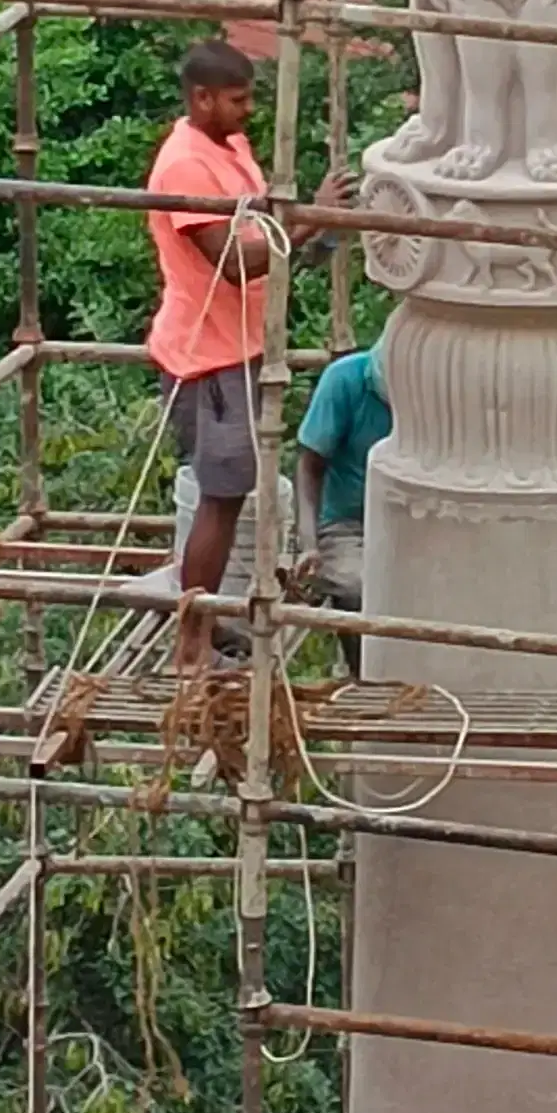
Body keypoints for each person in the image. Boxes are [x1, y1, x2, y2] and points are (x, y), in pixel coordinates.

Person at [143, 40, 277, 670]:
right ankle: (191, 645)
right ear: (202, 98)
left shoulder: (229, 149)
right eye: (237, 98)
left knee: (229, 491)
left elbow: (262, 224)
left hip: (237, 348)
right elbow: (235, 263)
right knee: (221, 495)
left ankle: (207, 620)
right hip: (207, 358)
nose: (248, 110)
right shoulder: (183, 168)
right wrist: (303, 227)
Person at [293, 334, 392, 614]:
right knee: (358, 589)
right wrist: (309, 545)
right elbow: (309, 466)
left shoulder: (435, 389)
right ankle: (359, 659)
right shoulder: (344, 379)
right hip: (344, 523)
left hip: (410, 520)